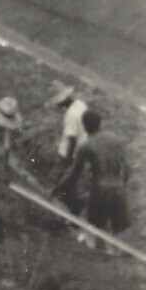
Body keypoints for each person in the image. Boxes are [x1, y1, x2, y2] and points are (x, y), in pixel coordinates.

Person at [50, 109, 131, 242]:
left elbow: (75, 174)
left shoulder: (86, 146)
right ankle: (118, 254)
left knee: (98, 230)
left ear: (84, 126)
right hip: (119, 188)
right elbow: (127, 169)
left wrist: (60, 188)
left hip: (100, 190)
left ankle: (100, 251)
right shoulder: (117, 141)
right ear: (100, 123)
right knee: (119, 232)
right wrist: (122, 186)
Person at [49, 81, 90, 213]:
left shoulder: (70, 115)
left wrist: (67, 159)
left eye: (59, 103)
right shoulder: (81, 104)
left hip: (69, 153)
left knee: (59, 180)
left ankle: (58, 205)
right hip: (82, 150)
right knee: (70, 183)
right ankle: (74, 207)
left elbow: (71, 139)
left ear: (63, 101)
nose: (58, 106)